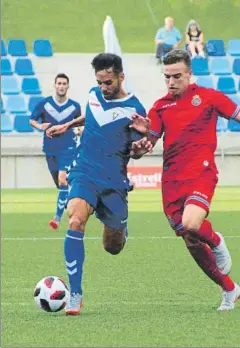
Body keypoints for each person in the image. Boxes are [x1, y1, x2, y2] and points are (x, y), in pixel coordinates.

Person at [130, 49, 240, 311]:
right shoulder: (159, 107)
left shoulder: (208, 98)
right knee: (189, 238)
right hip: (172, 181)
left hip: (201, 172)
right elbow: (145, 148)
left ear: (189, 74)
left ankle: (216, 241)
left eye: (176, 76)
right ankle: (229, 289)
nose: (171, 82)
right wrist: (139, 143)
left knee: (192, 223)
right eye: (167, 77)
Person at [46, 53, 147, 315]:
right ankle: (75, 294)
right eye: (100, 82)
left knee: (112, 247)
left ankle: (121, 230)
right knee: (76, 219)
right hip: (85, 172)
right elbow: (90, 116)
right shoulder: (92, 94)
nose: (103, 87)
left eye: (108, 82)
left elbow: (137, 148)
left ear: (121, 77)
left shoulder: (135, 109)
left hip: (114, 182)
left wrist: (140, 145)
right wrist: (67, 125)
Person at [29, 73, 81, 230]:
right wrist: (40, 127)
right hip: (50, 150)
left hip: (68, 148)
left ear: (68, 86)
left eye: (64, 83)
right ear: (55, 85)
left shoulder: (75, 106)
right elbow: (32, 120)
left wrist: (79, 130)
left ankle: (57, 219)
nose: (61, 86)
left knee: (63, 179)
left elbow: (79, 123)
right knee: (61, 186)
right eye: (59, 83)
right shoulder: (44, 104)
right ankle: (71, 203)